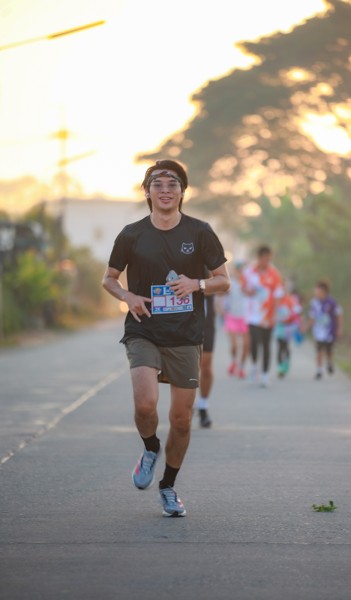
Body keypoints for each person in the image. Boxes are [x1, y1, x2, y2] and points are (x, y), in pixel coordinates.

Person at [102, 159, 230, 517]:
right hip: (143, 329)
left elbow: (223, 280)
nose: (165, 189)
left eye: (173, 183)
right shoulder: (131, 234)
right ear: (147, 192)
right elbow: (109, 278)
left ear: (182, 192)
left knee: (182, 419)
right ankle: (150, 447)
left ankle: (168, 486)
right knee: (145, 405)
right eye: (157, 183)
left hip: (186, 334)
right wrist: (127, 296)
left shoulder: (200, 232)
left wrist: (196, 284)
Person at [242, 245, 283, 388]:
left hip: (268, 316)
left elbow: (278, 295)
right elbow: (243, 289)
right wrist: (249, 292)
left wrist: (275, 315)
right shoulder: (249, 272)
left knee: (266, 345)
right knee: (254, 342)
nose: (267, 262)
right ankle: (254, 367)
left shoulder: (274, 274)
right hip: (252, 315)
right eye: (265, 259)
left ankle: (265, 375)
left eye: (269, 259)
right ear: (259, 258)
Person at [302, 278, 344, 379]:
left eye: (318, 291)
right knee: (319, 351)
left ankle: (329, 362)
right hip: (318, 331)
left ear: (324, 291)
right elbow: (312, 318)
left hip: (329, 331)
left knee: (329, 350)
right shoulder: (314, 303)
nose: (316, 293)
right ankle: (319, 370)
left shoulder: (332, 302)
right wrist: (305, 327)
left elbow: (339, 315)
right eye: (315, 291)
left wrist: (339, 328)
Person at [223, 260, 249, 379]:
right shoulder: (231, 283)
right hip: (232, 316)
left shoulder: (248, 284)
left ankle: (241, 367)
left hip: (245, 318)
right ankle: (234, 362)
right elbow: (224, 296)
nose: (241, 272)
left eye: (242, 269)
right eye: (239, 269)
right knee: (234, 345)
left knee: (246, 345)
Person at [274, 280, 302, 378]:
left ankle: (286, 364)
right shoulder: (277, 298)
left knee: (285, 346)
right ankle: (280, 367)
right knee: (280, 346)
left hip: (288, 327)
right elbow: (273, 309)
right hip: (279, 326)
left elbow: (297, 311)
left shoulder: (291, 299)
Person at [196, 293, 215, 428]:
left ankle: (203, 406)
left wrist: (197, 284)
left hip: (206, 323)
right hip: (181, 322)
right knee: (188, 368)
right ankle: (187, 404)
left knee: (206, 368)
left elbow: (222, 286)